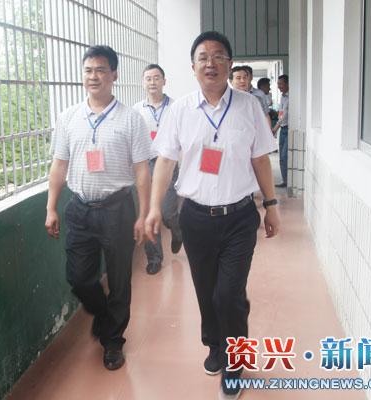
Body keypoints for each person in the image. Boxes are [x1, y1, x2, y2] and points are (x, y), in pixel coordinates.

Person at [145, 31, 280, 400]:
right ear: (193, 67)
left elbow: (260, 159)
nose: (210, 63)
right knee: (206, 291)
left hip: (239, 217)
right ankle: (216, 345)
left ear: (230, 65)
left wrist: (271, 206)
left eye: (219, 56)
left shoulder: (249, 107)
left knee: (228, 294)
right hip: (196, 218)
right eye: (203, 57)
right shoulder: (180, 111)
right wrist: (154, 207)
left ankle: (236, 362)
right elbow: (165, 162)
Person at [44, 45, 151, 371]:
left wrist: (144, 214)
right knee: (78, 278)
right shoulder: (68, 118)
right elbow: (59, 165)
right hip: (79, 209)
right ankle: (103, 316)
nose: (94, 76)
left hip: (118, 209)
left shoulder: (131, 119)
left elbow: (142, 170)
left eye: (101, 70)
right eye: (88, 70)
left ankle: (113, 341)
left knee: (119, 279)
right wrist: (51, 208)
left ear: (113, 75)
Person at [133, 64, 182, 275]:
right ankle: (154, 258)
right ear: (143, 83)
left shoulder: (176, 107)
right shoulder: (136, 110)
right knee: (147, 212)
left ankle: (177, 230)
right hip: (145, 165)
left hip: (168, 163)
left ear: (164, 81)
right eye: (148, 78)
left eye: (156, 78)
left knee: (167, 212)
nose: (152, 82)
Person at [272, 74, 289, 188]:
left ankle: (288, 181)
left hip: (288, 128)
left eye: (281, 84)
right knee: (282, 157)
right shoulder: (283, 97)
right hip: (282, 129)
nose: (279, 86)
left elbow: (284, 115)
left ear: (288, 84)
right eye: (278, 84)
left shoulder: (291, 97)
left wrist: (275, 128)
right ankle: (285, 180)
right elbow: (281, 113)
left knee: (285, 155)